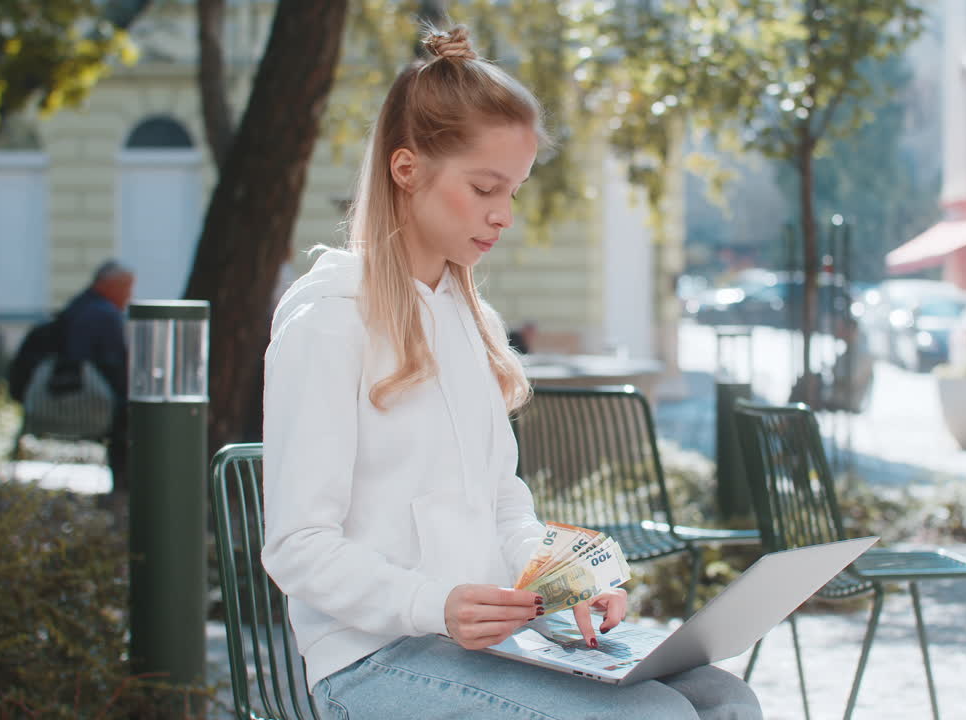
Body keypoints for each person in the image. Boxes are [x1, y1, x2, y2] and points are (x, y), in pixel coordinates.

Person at [260, 25, 762, 719]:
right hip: (372, 659)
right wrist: (433, 604)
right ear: (407, 170)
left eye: (515, 191)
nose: (503, 215)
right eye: (485, 187)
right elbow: (297, 546)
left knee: (722, 698)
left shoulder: (468, 320)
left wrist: (561, 584)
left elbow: (500, 497)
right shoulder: (327, 322)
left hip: (491, 642)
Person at [8, 260, 133, 491]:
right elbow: (114, 366)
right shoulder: (104, 314)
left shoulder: (77, 307)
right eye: (126, 287)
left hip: (55, 400)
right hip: (87, 403)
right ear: (108, 285)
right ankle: (121, 496)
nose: (129, 295)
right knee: (125, 432)